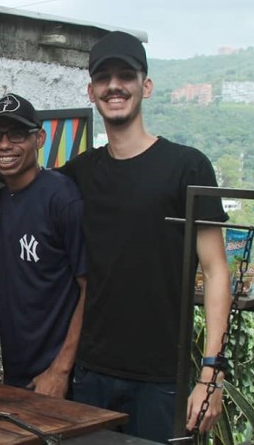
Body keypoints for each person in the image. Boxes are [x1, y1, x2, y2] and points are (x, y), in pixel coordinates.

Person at [60, 31, 231, 442]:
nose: (114, 86)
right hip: (91, 374)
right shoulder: (80, 172)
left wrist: (211, 373)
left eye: (126, 75)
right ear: (91, 90)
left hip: (161, 378)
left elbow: (217, 272)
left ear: (146, 86)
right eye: (103, 78)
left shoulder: (187, 167)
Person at [0, 93, 87, 398]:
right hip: (17, 372)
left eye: (16, 134)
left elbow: (90, 288)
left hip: (57, 377)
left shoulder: (62, 199)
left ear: (39, 138)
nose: (4, 145)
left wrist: (60, 370)